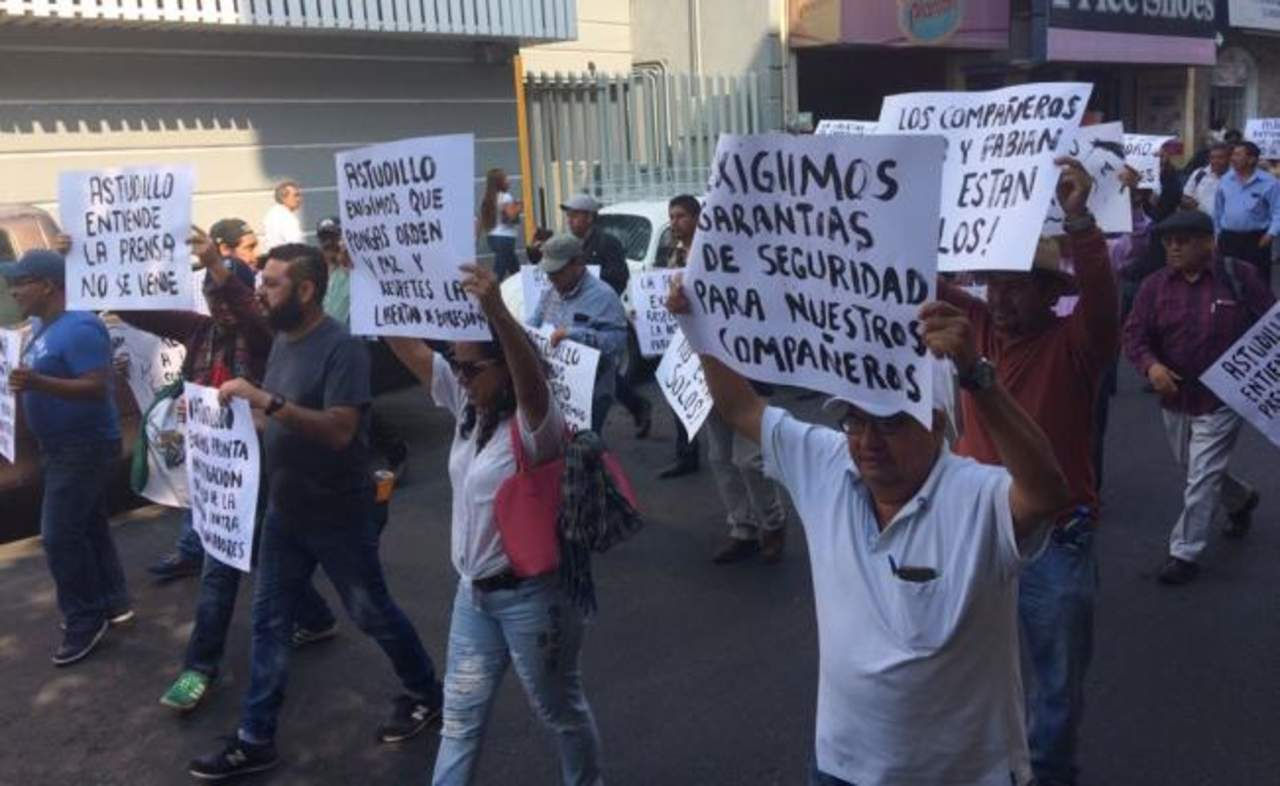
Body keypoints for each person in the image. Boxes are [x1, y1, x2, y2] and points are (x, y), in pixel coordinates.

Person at [668, 280, 1071, 786]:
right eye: (854, 420)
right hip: (838, 767)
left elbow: (1046, 494)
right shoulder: (825, 463)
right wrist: (697, 323)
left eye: (890, 423)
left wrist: (978, 377)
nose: (867, 442)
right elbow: (740, 409)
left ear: (936, 423)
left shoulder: (976, 495)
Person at [189, 244, 443, 779]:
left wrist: (266, 402)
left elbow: (340, 430)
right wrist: (241, 424)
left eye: (272, 283)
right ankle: (256, 738)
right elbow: (283, 417)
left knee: (372, 612)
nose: (261, 292)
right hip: (285, 510)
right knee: (268, 622)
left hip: (338, 512)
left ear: (305, 290)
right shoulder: (282, 338)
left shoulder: (343, 348)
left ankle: (426, 691)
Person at [386, 263, 603, 786]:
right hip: (474, 596)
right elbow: (410, 349)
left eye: (471, 368)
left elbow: (531, 382)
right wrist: (373, 280)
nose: (459, 377)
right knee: (459, 721)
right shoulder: (469, 404)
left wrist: (498, 314)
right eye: (456, 366)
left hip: (535, 600)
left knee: (560, 711)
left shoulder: (536, 426)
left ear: (505, 366)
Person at [939, 158, 1117, 786]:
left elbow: (1103, 299)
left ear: (1048, 293)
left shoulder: (1077, 342)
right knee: (963, 666)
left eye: (1015, 284)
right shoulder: (979, 328)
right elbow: (912, 277)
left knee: (1056, 684)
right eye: (992, 282)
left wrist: (1079, 221)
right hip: (976, 529)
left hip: (1055, 537)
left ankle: (1049, 775)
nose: (999, 296)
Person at [114, 230, 339, 710]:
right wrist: (93, 271)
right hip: (215, 469)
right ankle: (317, 617)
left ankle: (200, 667)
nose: (220, 306)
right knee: (253, 551)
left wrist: (218, 266)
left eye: (225, 296)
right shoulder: (201, 331)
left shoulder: (268, 337)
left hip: (261, 467)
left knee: (220, 566)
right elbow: (140, 314)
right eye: (211, 297)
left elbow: (249, 313)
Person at [1123, 210, 1275, 586]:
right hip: (1176, 396)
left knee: (1202, 474)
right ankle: (1241, 499)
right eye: (1168, 241)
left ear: (1208, 242)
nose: (1174, 248)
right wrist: (1151, 367)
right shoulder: (1154, 286)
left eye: (1184, 240)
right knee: (1193, 466)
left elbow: (1271, 326)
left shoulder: (1239, 277)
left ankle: (1184, 552)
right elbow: (1135, 335)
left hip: (1223, 397)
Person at [3, 250, 131, 666]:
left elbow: (96, 387)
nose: (13, 291)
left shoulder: (81, 327)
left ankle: (84, 618)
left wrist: (37, 382)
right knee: (88, 525)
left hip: (84, 447)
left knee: (59, 536)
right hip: (59, 446)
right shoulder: (44, 325)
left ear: (47, 286)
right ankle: (113, 603)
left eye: (20, 283)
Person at [561, 193, 652, 437]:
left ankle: (591, 433)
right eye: (569, 215)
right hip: (577, 317)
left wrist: (592, 285)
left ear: (590, 218)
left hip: (601, 318)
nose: (570, 220)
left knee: (599, 373)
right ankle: (636, 406)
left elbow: (620, 276)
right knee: (600, 371)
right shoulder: (570, 244)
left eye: (575, 215)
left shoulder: (606, 243)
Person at [527, 233, 629, 435]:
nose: (551, 278)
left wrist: (574, 334)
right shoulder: (550, 291)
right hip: (556, 388)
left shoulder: (604, 296)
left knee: (584, 445)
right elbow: (534, 323)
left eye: (557, 272)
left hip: (592, 392)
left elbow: (618, 342)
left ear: (577, 263)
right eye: (548, 273)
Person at [655, 194, 701, 479]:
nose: (675, 222)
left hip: (705, 337)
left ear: (696, 218)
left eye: (681, 216)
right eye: (671, 217)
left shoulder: (708, 250)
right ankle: (686, 453)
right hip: (679, 337)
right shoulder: (673, 252)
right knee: (680, 394)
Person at [1215, 141, 1280, 288]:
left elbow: (1278, 210)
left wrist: (1270, 234)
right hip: (1228, 239)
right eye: (1233, 154)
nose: (1233, 158)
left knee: (1257, 283)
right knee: (1227, 282)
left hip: (1256, 240)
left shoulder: (1269, 182)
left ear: (1251, 159)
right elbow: (1218, 209)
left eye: (1238, 154)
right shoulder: (1226, 179)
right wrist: (1217, 234)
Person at [479, 168, 522, 280]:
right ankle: (492, 289)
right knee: (499, 271)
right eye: (505, 178)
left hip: (493, 237)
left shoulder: (489, 198)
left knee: (514, 268)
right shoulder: (506, 197)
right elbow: (511, 216)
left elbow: (481, 220)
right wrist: (518, 207)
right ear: (499, 182)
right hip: (505, 238)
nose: (508, 180)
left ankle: (522, 286)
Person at [1182, 142, 1231, 219]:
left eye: (1220, 157)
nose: (1215, 161)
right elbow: (1186, 196)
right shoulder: (1199, 174)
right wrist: (1191, 204)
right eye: (1212, 157)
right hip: (1201, 222)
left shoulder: (1236, 177)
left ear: (1229, 158)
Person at [317, 217, 351, 325]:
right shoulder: (317, 274)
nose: (328, 242)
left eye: (334, 237)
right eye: (324, 239)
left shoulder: (354, 271)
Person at [262, 180, 304, 252]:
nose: (299, 199)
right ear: (284, 198)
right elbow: (296, 246)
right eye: (296, 195)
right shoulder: (288, 218)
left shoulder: (271, 214)